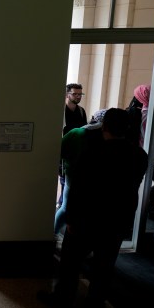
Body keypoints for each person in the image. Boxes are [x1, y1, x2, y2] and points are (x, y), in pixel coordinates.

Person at [38, 108, 148, 308]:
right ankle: (95, 304)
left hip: (87, 218)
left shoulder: (94, 152)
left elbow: (79, 188)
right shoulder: (138, 155)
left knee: (71, 262)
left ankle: (64, 298)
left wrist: (71, 218)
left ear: (104, 126)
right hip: (117, 219)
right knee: (105, 265)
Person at [54, 109, 108, 238]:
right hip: (96, 179)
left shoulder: (77, 133)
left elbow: (60, 151)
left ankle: (54, 233)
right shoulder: (107, 138)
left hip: (73, 175)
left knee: (67, 207)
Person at [57, 83, 88, 213]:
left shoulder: (81, 111)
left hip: (76, 151)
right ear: (67, 94)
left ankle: (62, 205)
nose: (78, 96)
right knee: (64, 180)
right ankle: (62, 206)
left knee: (68, 182)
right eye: (75, 94)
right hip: (63, 151)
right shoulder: (61, 111)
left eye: (80, 94)